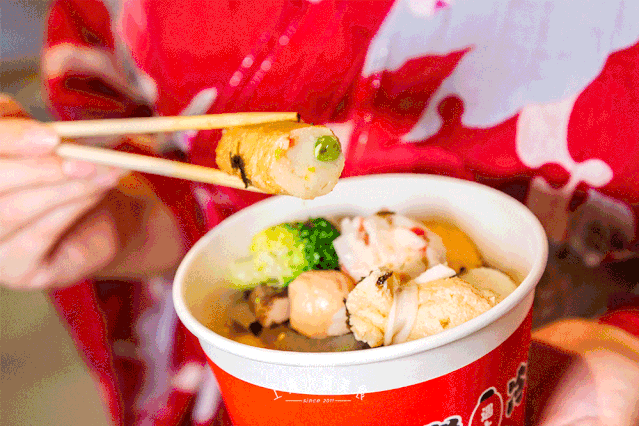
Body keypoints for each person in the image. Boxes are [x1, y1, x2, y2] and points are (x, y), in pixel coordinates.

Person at [2, 0, 639, 424]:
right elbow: (119, 114)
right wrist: (131, 225)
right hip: (252, 378)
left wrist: (621, 347)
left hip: (547, 372)